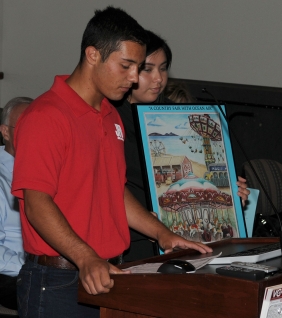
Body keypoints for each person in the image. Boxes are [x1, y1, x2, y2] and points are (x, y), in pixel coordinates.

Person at [11, 7, 212, 318]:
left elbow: (114, 191)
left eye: (138, 68)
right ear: (93, 55)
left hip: (111, 272)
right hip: (60, 280)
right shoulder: (45, 116)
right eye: (126, 66)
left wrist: (162, 233)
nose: (133, 78)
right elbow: (37, 203)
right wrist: (86, 257)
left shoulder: (109, 115)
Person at [115, 30, 250, 262]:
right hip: (133, 244)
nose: (159, 78)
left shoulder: (180, 114)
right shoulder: (110, 116)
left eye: (163, 68)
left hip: (190, 245)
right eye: (148, 69)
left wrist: (230, 193)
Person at [0, 97, 32, 311]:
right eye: (24, 126)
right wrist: (31, 268)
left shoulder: (55, 167)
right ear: (5, 132)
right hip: (12, 273)